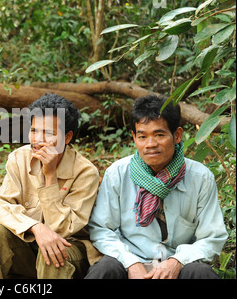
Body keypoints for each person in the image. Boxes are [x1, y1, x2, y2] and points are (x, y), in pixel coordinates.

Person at [85, 95, 228, 279]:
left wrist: (177, 261)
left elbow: (212, 237)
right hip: (131, 263)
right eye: (142, 136)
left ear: (176, 135)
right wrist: (130, 262)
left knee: (200, 273)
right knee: (105, 268)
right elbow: (101, 229)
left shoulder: (200, 178)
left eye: (159, 135)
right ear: (134, 138)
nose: (150, 144)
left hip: (177, 265)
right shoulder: (118, 174)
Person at [0, 93, 101, 279]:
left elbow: (62, 230)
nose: (38, 139)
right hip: (29, 245)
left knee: (51, 251)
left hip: (69, 250)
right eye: (34, 130)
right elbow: (1, 207)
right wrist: (36, 227)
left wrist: (50, 176)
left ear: (67, 138)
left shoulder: (85, 173)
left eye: (49, 133)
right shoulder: (19, 158)